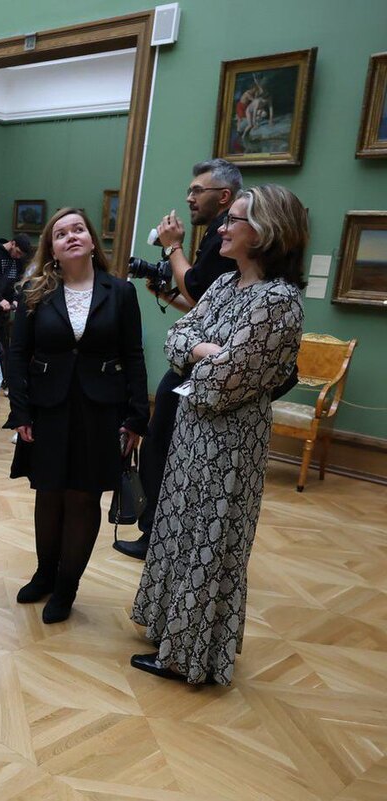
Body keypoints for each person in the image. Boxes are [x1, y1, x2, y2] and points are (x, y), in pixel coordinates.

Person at [131, 185, 307, 685]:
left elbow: (224, 384)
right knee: (178, 531)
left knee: (209, 542)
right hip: (192, 433)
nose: (222, 229)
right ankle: (170, 633)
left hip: (231, 443)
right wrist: (206, 351)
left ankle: (188, 656)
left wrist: (202, 355)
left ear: (266, 231)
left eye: (234, 221)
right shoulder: (226, 283)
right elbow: (175, 339)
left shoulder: (279, 301)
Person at [3, 207, 148, 624]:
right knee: (48, 492)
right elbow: (18, 353)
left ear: (91, 240)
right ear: (52, 248)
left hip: (101, 410)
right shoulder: (35, 290)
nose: (71, 236)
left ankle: (67, 587)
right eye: (61, 233)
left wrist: (137, 416)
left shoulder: (120, 292)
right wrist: (20, 409)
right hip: (48, 407)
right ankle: (44, 574)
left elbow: (133, 355)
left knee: (84, 498)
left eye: (78, 229)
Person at [115, 158, 242, 561]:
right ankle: (158, 533)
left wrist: (172, 247)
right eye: (189, 190)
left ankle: (153, 534)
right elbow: (201, 305)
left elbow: (199, 290)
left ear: (223, 196)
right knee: (163, 448)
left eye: (197, 190)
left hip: (196, 370)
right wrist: (165, 293)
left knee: (158, 450)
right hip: (196, 369)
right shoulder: (217, 237)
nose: (189, 197)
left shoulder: (220, 239)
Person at [0, 233, 33, 384]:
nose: (18, 256)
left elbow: (18, 282)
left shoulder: (19, 260)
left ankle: (4, 379)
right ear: (13, 243)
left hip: (5, 309)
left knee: (4, 345)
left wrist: (16, 299)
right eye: (17, 252)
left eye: (21, 255)